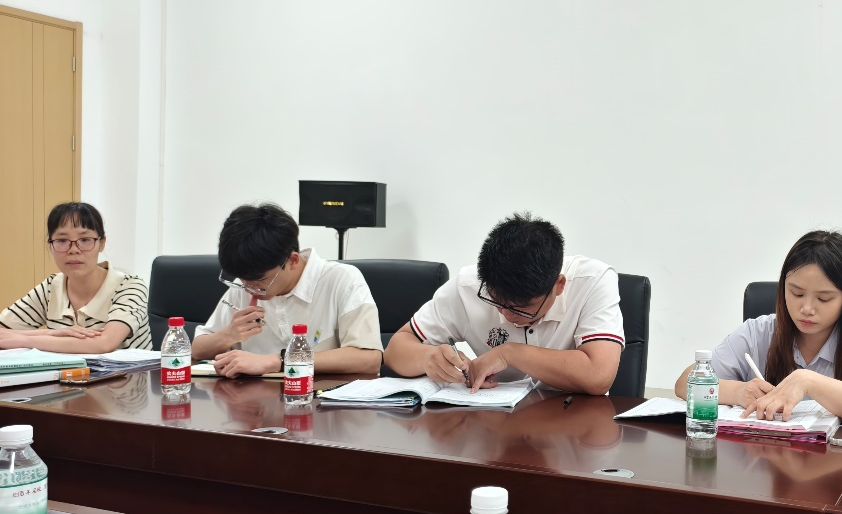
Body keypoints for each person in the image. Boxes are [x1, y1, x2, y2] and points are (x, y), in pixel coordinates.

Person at [384, 213, 624, 394]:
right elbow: (396, 350)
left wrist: (510, 353)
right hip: (495, 424)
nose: (507, 315)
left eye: (522, 308)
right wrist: (428, 358)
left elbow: (599, 375)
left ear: (559, 285)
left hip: (574, 426)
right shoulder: (468, 287)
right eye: (496, 302)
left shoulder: (592, 281)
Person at [675, 230, 842, 424]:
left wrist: (807, 381)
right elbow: (684, 384)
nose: (806, 308)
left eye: (823, 298)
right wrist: (738, 391)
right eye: (796, 293)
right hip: (763, 453)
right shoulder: (757, 333)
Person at [192, 204, 382, 378]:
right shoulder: (245, 285)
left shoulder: (342, 280)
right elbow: (197, 350)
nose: (249, 288)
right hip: (254, 400)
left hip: (321, 398)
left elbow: (369, 359)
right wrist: (228, 335)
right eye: (243, 280)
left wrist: (279, 361)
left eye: (260, 280)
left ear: (293, 261)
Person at [0, 202, 151, 352]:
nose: (73, 250)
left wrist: (24, 340)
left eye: (85, 240)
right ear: (51, 245)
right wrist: (51, 333)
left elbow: (105, 343)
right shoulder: (51, 287)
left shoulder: (130, 286)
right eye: (62, 241)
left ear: (102, 243)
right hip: (68, 369)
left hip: (129, 370)